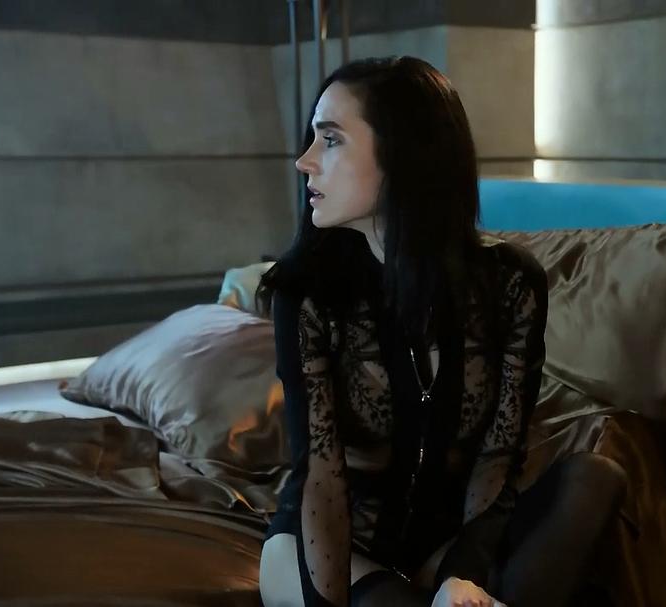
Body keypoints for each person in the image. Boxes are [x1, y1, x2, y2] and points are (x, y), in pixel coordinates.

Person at [257, 56, 628, 607]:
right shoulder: (305, 292)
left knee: (595, 477)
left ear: (404, 154)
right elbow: (321, 481)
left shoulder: (510, 283)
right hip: (331, 546)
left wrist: (463, 574)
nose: (304, 161)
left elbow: (499, 455)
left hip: (446, 541)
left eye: (330, 140)